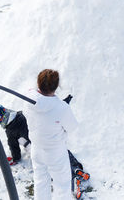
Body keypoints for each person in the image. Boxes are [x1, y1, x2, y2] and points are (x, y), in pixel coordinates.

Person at [27, 69, 79, 200]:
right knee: (62, 185)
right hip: (55, 152)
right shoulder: (62, 108)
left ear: (38, 84)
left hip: (37, 149)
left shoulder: (28, 99)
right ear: (56, 87)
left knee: (40, 182)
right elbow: (72, 127)